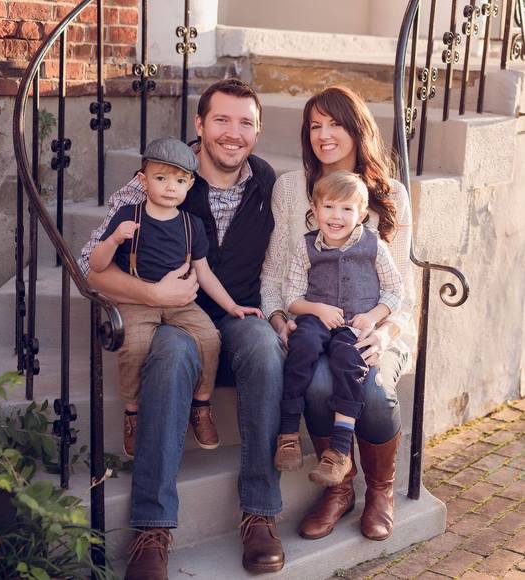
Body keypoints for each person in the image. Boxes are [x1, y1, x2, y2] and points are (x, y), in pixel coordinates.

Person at [78, 79, 286, 579]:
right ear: (199, 124)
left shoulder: (266, 183)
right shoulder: (159, 176)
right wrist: (154, 295)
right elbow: (88, 266)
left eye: (245, 123)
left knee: (264, 347)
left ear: (258, 131)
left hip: (235, 312)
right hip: (171, 316)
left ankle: (260, 513)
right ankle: (152, 529)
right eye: (221, 120)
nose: (233, 133)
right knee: (170, 355)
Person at [261, 85, 415, 542]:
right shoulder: (291, 188)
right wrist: (279, 319)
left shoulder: (390, 194)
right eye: (315, 126)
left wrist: (383, 334)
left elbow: (402, 290)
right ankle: (339, 487)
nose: (324, 135)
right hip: (314, 324)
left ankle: (380, 491)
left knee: (373, 391)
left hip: (375, 327)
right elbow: (274, 273)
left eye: (335, 124)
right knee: (317, 382)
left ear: (357, 129)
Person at [89, 137, 263, 458]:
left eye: (180, 181)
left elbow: (204, 272)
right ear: (143, 180)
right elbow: (96, 265)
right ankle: (133, 412)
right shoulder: (129, 215)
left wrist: (232, 305)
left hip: (181, 302)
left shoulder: (190, 224)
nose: (171, 187)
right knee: (134, 345)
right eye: (161, 178)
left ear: (190, 184)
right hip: (137, 300)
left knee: (209, 337)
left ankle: (201, 404)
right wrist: (113, 240)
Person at [274, 171, 402, 488]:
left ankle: (340, 451)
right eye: (329, 206)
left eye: (347, 209)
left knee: (350, 362)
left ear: (362, 214)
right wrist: (317, 309)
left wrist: (373, 316)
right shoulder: (305, 247)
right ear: (315, 209)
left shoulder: (374, 247)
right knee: (301, 347)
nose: (336, 216)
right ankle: (288, 433)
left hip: (356, 325)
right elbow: (292, 297)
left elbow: (394, 291)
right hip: (316, 319)